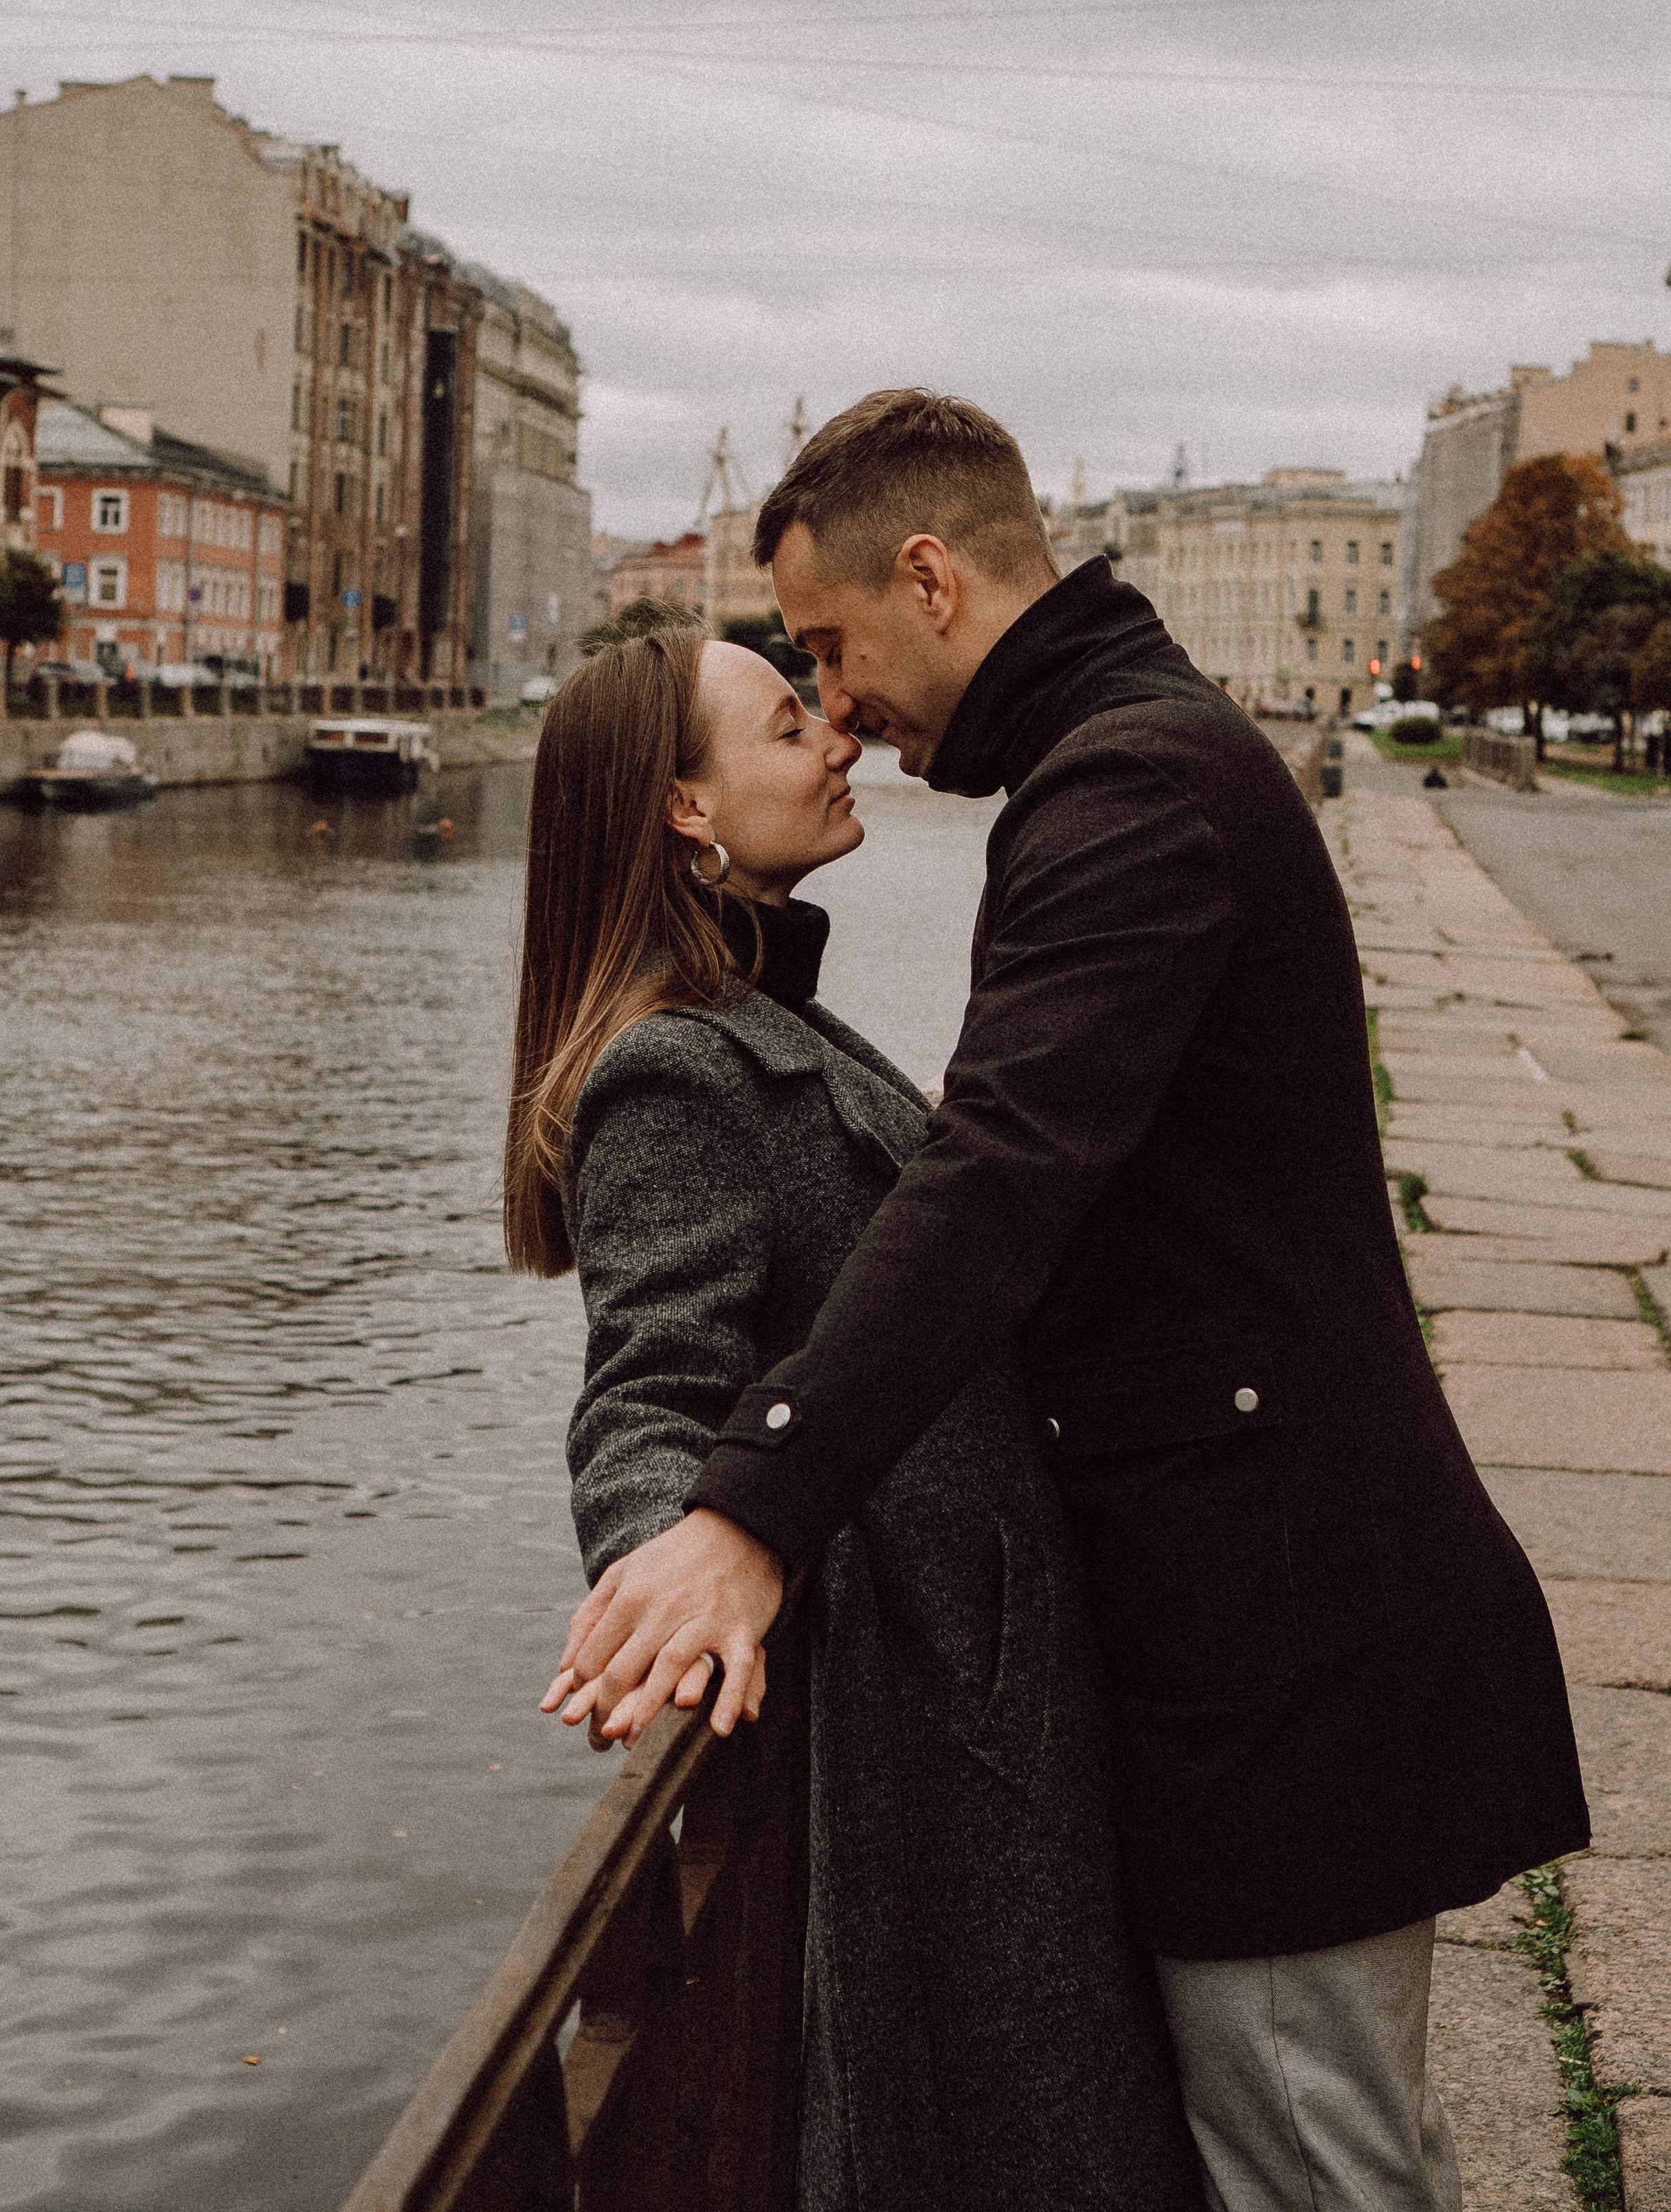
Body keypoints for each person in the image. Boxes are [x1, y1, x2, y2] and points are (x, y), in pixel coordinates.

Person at [546, 392, 1592, 2212]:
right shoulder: (1125, 763)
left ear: (932, 577)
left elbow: (998, 1183)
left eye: (831, 651)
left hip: (1279, 1644)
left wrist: (753, 1504)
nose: (844, 707)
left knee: (1320, 2179)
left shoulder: (1129, 791)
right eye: (794, 683)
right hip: (1248, 1630)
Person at [508, 620, 1204, 2212]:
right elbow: (648, 1386)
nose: (833, 733)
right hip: (930, 1719)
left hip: (984, 1686)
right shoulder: (673, 1074)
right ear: (685, 810)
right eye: (779, 723)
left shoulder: (779, 1022)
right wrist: (670, 1569)